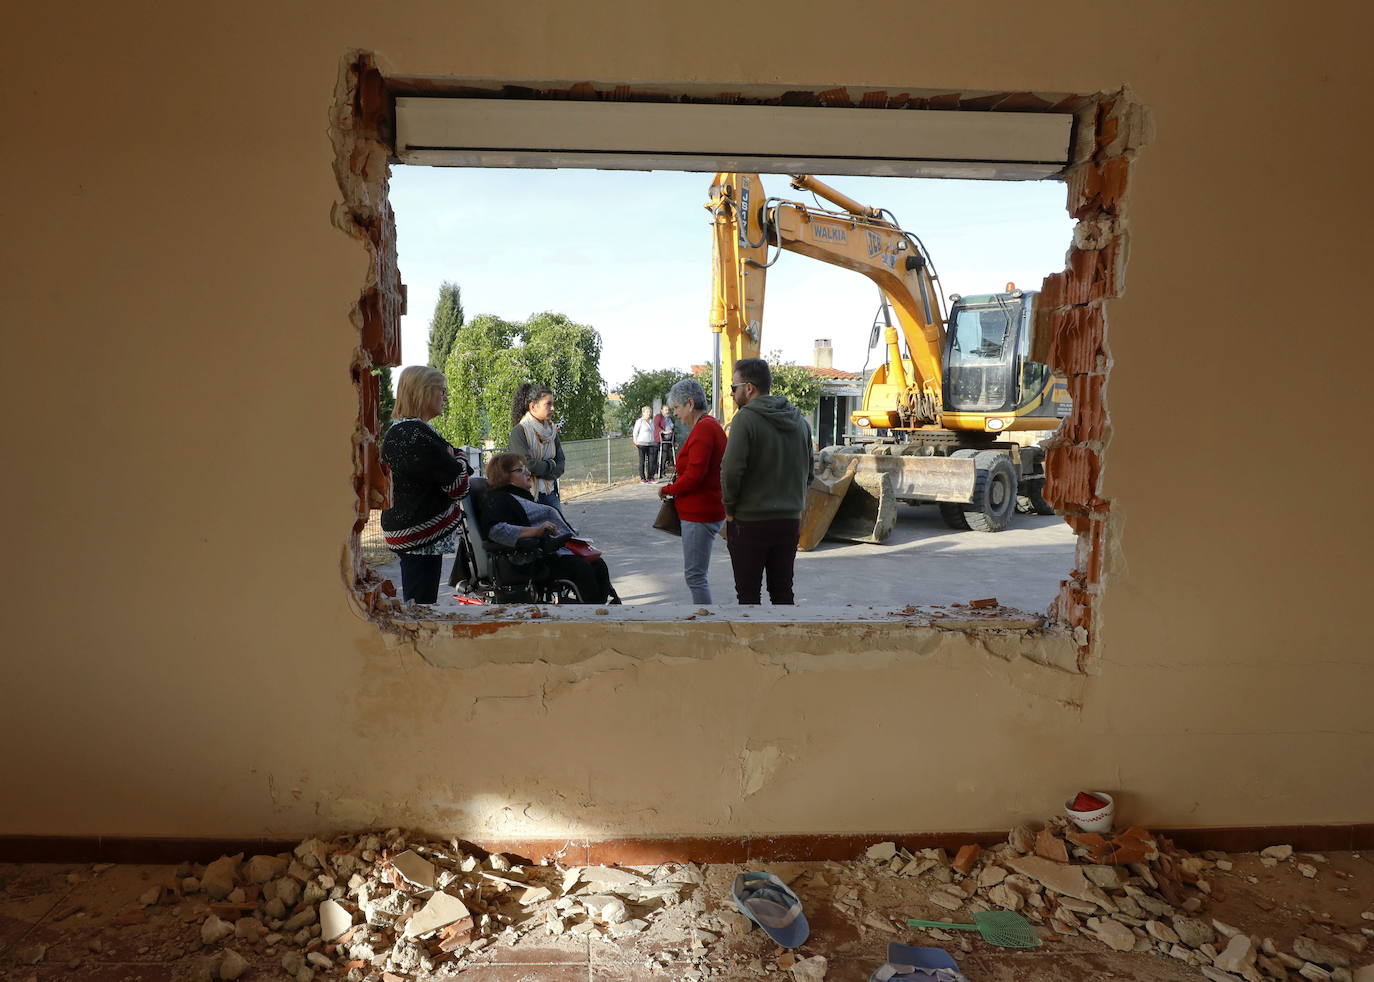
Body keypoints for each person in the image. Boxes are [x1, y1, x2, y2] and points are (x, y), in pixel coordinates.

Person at [720, 357, 813, 605]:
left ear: (749, 388)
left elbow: (730, 471)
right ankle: (783, 642)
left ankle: (753, 644)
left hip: (750, 522)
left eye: (733, 388)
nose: (731, 394)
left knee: (748, 596)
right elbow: (809, 472)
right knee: (783, 592)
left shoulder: (745, 419)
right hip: (789, 522)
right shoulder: (800, 422)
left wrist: (729, 509)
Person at [380, 366, 470, 604]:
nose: (445, 398)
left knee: (420, 598)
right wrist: (458, 459)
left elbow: (450, 467)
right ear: (423, 393)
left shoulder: (402, 431)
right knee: (421, 606)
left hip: (412, 531)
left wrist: (453, 458)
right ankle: (416, 641)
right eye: (441, 391)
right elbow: (458, 485)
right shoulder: (415, 435)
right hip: (420, 535)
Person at [478, 452, 618, 604]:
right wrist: (535, 532)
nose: (528, 472)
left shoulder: (520, 496)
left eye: (526, 468)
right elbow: (495, 530)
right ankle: (589, 615)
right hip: (530, 559)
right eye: (520, 470)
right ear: (504, 476)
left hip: (551, 552)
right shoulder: (499, 498)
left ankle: (599, 613)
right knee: (582, 568)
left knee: (598, 565)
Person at [659, 377, 726, 604]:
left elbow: (695, 476)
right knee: (696, 575)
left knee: (695, 576)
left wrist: (669, 489)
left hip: (700, 513)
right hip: (703, 510)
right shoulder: (708, 426)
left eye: (677, 408)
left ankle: (706, 621)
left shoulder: (704, 429)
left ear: (690, 403)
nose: (676, 414)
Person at [506, 383, 565, 510]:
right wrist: (550, 465)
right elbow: (527, 465)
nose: (553, 408)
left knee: (559, 529)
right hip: (529, 496)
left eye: (552, 404)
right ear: (533, 406)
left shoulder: (552, 431)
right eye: (548, 404)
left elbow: (561, 463)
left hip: (551, 493)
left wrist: (546, 471)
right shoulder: (520, 431)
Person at [632, 406, 657, 484]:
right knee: (642, 461)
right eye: (647, 412)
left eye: (650, 412)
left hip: (651, 443)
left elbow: (654, 431)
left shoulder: (652, 421)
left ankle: (651, 477)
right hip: (642, 443)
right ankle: (642, 478)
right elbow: (635, 432)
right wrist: (635, 441)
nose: (649, 413)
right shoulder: (640, 421)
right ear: (643, 413)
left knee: (651, 460)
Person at [652, 399, 673, 480]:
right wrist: (664, 432)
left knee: (664, 456)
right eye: (665, 410)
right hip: (660, 439)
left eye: (668, 410)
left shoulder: (669, 418)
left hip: (667, 440)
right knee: (656, 456)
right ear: (661, 410)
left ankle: (662, 472)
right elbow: (656, 426)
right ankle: (654, 473)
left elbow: (672, 428)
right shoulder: (659, 416)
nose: (667, 411)